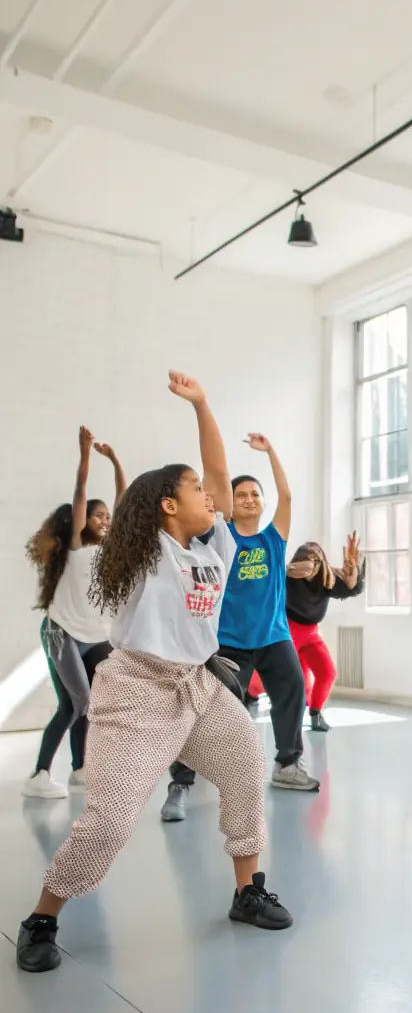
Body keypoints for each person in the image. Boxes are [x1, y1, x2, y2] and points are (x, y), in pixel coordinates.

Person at [16, 372, 291, 974]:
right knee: (110, 817)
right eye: (194, 490)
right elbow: (135, 499)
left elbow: (219, 474)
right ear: (168, 506)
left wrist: (203, 405)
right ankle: (42, 917)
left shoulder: (215, 547)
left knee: (246, 767)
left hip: (199, 685)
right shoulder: (145, 552)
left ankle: (248, 890)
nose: (211, 496)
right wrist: (101, 466)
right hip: (138, 690)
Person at [161, 434, 318, 822]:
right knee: (202, 711)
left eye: (255, 494)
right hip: (228, 642)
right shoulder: (221, 538)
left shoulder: (273, 538)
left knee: (293, 690)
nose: (249, 499)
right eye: (241, 494)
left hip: (274, 636)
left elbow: (288, 497)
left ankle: (287, 764)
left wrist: (272, 452)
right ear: (230, 504)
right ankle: (180, 782)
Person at [23, 427, 125, 799]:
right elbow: (80, 491)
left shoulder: (111, 548)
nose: (104, 519)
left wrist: (115, 461)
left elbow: (124, 501)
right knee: (79, 701)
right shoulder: (76, 544)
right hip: (61, 631)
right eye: (97, 515)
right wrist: (85, 454)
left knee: (84, 702)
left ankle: (80, 768)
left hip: (95, 636)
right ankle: (39, 776)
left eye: (106, 515)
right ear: (84, 521)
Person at [283, 534, 364, 731]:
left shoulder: (326, 578)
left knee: (327, 672)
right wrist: (292, 568)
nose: (311, 564)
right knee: (295, 680)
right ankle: (259, 699)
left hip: (311, 634)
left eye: (315, 559)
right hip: (288, 631)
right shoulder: (287, 577)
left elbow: (352, 589)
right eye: (308, 558)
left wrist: (353, 565)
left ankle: (316, 713)